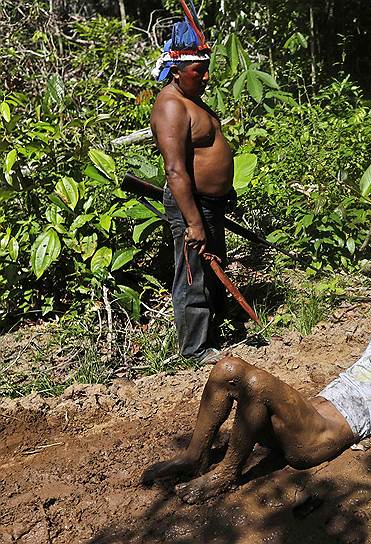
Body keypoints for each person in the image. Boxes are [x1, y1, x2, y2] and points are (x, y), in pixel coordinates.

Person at [141, 263, 371, 503]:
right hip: (296, 419)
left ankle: (227, 473)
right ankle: (195, 456)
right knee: (227, 368)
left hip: (317, 438)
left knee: (257, 382)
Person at [150, 7, 234, 363]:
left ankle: (214, 333)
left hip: (209, 204)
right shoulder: (171, 106)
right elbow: (175, 171)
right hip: (192, 206)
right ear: (177, 72)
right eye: (199, 71)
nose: (207, 76)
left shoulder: (191, 99)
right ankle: (195, 349)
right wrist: (193, 222)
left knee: (213, 267)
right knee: (193, 275)